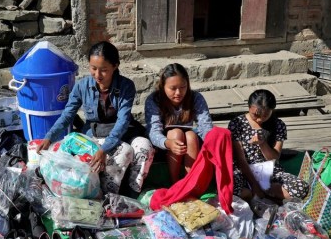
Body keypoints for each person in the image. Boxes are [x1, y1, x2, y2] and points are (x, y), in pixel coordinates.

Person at [37, 41, 154, 195]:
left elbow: (123, 121)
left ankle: (132, 193)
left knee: (145, 146)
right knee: (124, 151)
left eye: (104, 70)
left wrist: (105, 149)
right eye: (93, 68)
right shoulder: (82, 86)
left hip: (123, 131)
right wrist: (49, 137)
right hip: (96, 134)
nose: (97, 75)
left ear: (115, 66)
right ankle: (107, 196)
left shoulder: (126, 86)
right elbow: (68, 114)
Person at [228, 89, 308, 201]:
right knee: (231, 190)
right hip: (245, 172)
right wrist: (255, 185)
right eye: (255, 115)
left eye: (265, 116)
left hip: (269, 171)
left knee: (300, 188)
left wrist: (262, 143)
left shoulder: (278, 125)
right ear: (249, 107)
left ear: (272, 111)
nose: (260, 119)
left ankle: (262, 193)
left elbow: (274, 158)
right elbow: (240, 159)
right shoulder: (237, 123)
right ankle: (261, 193)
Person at [145, 63, 213, 184]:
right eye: (173, 88)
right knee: (176, 133)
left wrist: (210, 144)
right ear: (162, 87)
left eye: (183, 87)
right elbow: (153, 130)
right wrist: (167, 143)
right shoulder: (154, 100)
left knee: (191, 136)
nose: (178, 93)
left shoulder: (195, 98)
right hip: (164, 145)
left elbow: (206, 126)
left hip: (190, 142)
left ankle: (189, 183)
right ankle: (175, 182)